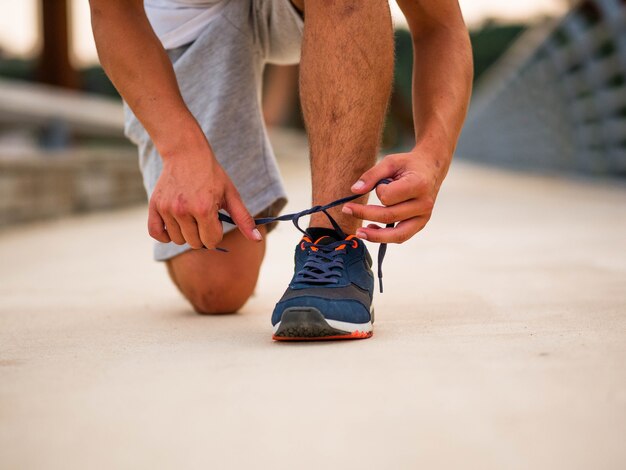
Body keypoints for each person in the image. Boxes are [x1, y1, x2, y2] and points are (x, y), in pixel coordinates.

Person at [89, 0, 472, 340]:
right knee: (217, 287)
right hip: (187, 12)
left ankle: (331, 241)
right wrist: (181, 152)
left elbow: (440, 25)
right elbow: (112, 11)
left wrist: (433, 157)